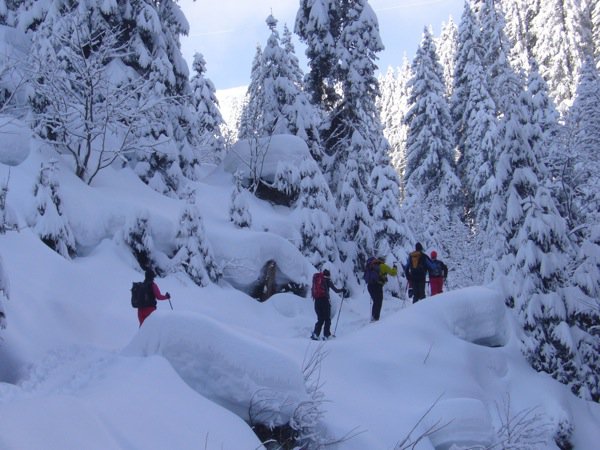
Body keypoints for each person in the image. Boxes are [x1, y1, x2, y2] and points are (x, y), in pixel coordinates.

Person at [311, 269, 343, 340]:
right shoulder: (327, 280)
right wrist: (343, 290)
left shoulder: (317, 280)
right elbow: (336, 290)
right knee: (327, 319)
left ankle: (315, 334)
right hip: (324, 301)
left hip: (316, 301)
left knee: (320, 319)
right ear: (328, 275)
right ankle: (326, 335)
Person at [365, 257, 398, 322]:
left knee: (375, 301)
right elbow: (393, 273)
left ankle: (373, 317)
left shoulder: (371, 266)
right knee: (379, 302)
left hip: (370, 286)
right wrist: (395, 268)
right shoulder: (383, 266)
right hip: (377, 286)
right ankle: (376, 319)